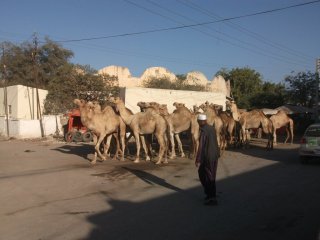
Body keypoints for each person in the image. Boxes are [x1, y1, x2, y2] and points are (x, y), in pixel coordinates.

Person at [195, 113, 220, 205]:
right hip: (214, 156)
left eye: (198, 121)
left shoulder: (204, 130)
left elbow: (201, 146)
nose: (197, 123)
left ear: (201, 121)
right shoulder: (211, 128)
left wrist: (198, 159)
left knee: (208, 177)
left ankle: (212, 198)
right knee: (207, 175)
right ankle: (210, 193)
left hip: (208, 157)